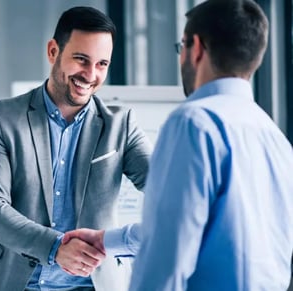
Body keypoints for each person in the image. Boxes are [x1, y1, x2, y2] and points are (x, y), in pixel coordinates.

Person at [63, 1, 293, 290]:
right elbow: (197, 228)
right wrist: (107, 240)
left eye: (181, 46)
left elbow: (166, 255)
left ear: (195, 48)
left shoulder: (194, 122)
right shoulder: (275, 139)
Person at [0, 6, 152, 291]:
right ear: (53, 51)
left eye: (102, 64)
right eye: (81, 59)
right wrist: (55, 247)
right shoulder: (1, 118)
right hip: (10, 282)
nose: (90, 74)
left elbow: (167, 188)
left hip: (91, 285)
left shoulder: (121, 125)